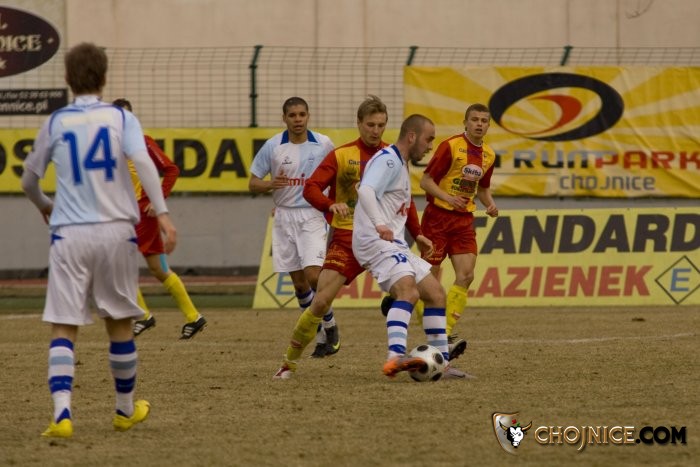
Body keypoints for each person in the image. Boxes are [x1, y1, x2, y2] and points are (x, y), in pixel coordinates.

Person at [21, 43, 177, 438]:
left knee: (64, 325)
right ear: (104, 78)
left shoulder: (56, 121)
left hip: (69, 233)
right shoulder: (121, 117)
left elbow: (28, 180)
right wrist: (162, 213)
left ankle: (62, 414)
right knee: (119, 322)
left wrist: (45, 204)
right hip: (117, 232)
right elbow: (143, 163)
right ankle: (124, 410)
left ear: (66, 79)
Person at [272, 96, 428, 378]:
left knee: (416, 289)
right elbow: (311, 188)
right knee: (320, 301)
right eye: (370, 125)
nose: (375, 131)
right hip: (347, 235)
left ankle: (431, 348)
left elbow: (406, 202)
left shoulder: (394, 157)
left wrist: (418, 233)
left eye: (381, 125)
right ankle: (288, 363)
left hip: (382, 241)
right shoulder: (342, 155)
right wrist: (329, 204)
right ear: (358, 123)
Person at [351, 114, 467, 378]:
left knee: (436, 294)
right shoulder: (389, 160)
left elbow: (399, 207)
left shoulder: (400, 164)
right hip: (375, 241)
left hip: (393, 243)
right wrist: (380, 224)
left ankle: (443, 364)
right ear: (412, 137)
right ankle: (395, 356)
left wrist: (418, 236)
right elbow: (366, 191)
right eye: (428, 139)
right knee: (408, 291)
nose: (430, 146)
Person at [249, 97, 339, 352]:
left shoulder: (323, 143)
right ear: (284, 118)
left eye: (302, 114)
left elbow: (338, 174)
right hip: (284, 217)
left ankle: (330, 324)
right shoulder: (273, 146)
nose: (298, 119)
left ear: (308, 116)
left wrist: (333, 202)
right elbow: (253, 183)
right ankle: (319, 336)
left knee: (314, 276)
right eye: (292, 115)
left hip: (312, 214)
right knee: (299, 284)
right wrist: (270, 184)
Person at [112, 98, 206, 340]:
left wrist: (158, 199)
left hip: (142, 216)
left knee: (119, 265)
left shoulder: (143, 142)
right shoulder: (108, 147)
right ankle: (193, 317)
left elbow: (171, 169)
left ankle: (143, 315)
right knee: (158, 268)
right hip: (123, 214)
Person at [418, 103, 499, 357]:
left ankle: (444, 332)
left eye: (484, 120)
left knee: (466, 275)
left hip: (463, 221)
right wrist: (448, 198)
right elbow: (425, 181)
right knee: (428, 280)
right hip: (437, 218)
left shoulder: (489, 155)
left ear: (488, 125)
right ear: (465, 123)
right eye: (474, 119)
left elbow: (482, 188)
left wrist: (490, 204)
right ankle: (400, 300)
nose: (479, 124)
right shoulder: (450, 146)